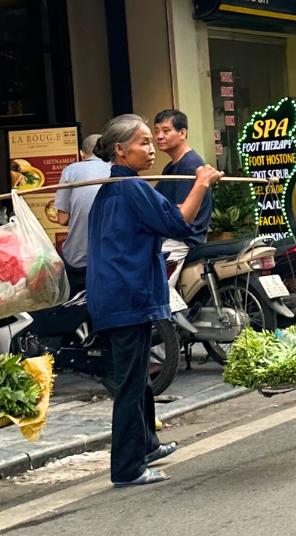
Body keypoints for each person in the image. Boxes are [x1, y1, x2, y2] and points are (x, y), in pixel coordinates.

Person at [87, 114, 222, 487]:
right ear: (120, 150)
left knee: (139, 374)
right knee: (130, 384)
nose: (151, 149)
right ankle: (127, 467)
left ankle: (146, 444)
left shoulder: (117, 187)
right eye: (144, 142)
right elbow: (180, 222)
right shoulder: (131, 189)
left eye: (152, 140)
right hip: (125, 295)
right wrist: (202, 183)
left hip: (119, 292)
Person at [153, 108, 213, 277]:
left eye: (166, 131)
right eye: (156, 131)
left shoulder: (190, 165)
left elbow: (182, 214)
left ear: (182, 133)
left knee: (159, 288)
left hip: (181, 241)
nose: (159, 136)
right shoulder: (171, 166)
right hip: (170, 237)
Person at [51, 133, 109, 293]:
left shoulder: (71, 170)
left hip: (78, 259)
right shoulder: (119, 170)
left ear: (81, 154)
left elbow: (62, 219)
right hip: (111, 258)